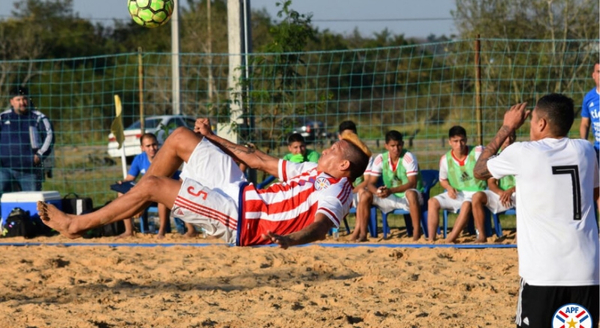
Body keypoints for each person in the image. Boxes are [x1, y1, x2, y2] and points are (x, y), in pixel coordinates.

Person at [38, 118, 371, 248]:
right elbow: (257, 160)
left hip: (241, 219)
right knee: (181, 136)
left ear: (343, 165)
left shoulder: (338, 190)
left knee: (154, 185)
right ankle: (138, 194)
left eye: (333, 149)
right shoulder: (314, 170)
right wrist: (212, 137)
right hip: (240, 190)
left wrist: (290, 239)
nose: (326, 148)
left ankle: (77, 224)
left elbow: (321, 227)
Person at [473, 95, 599, 328]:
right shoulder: (586, 151)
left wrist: (507, 127)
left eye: (532, 122)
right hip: (586, 270)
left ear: (541, 124)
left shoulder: (523, 152)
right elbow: (594, 194)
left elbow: (479, 170)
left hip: (543, 272)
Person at [116, 133, 197, 239]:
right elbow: (130, 178)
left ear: (158, 144)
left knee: (161, 196)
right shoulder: (139, 159)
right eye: (148, 146)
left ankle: (162, 232)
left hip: (168, 189)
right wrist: (123, 183)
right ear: (142, 148)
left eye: (154, 145)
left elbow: (165, 180)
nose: (152, 148)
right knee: (121, 193)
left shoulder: (165, 157)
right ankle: (129, 230)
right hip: (150, 191)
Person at [353, 130, 424, 241]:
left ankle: (416, 233)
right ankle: (363, 234)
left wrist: (391, 190)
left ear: (403, 144)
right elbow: (371, 183)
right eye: (392, 146)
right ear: (386, 146)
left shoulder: (408, 157)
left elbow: (412, 183)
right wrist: (377, 192)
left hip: (408, 196)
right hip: (391, 195)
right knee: (365, 194)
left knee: (410, 193)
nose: (396, 149)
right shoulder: (380, 158)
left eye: (399, 145)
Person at [449, 131, 517, 243]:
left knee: (527, 195)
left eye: (511, 137)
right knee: (477, 197)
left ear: (515, 138)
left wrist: (510, 191)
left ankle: (519, 236)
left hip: (517, 192)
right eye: (505, 137)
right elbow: (491, 183)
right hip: (501, 195)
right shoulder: (495, 156)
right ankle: (481, 235)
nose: (508, 140)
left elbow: (527, 180)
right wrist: (501, 193)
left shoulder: (519, 155)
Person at [427, 125, 485, 242]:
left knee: (466, 205)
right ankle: (431, 239)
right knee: (432, 202)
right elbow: (442, 179)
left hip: (476, 194)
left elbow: (494, 154)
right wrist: (448, 188)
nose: (459, 144)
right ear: (450, 142)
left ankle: (450, 239)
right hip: (457, 193)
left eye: (462, 140)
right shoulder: (445, 159)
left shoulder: (478, 151)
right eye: (455, 141)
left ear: (466, 140)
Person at [0, 85, 54, 196]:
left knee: (32, 200)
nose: (22, 102)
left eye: (24, 99)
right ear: (12, 101)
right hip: (4, 169)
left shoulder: (38, 118)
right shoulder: (3, 117)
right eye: (18, 99)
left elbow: (50, 136)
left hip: (29, 170)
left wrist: (40, 155)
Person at [579, 61, 600, 158]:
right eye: (599, 72)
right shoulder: (589, 98)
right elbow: (585, 123)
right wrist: (584, 146)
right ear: (593, 75)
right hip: (597, 151)